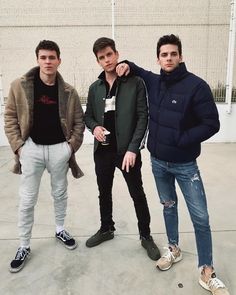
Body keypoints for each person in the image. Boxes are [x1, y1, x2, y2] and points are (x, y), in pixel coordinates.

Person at [116, 34, 229, 295]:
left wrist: (183, 139)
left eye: (173, 54)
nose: (168, 58)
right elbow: (137, 69)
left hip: (185, 165)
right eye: (164, 54)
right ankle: (174, 248)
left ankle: (207, 270)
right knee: (168, 207)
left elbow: (211, 123)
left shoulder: (196, 86)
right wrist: (124, 63)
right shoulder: (154, 82)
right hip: (158, 163)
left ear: (180, 56)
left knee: (201, 217)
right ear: (158, 58)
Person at [4, 40, 85, 273]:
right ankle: (24, 244)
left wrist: (70, 148)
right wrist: (19, 147)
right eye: (43, 57)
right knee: (27, 199)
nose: (47, 62)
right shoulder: (19, 86)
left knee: (60, 193)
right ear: (37, 59)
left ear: (59, 60)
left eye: (52, 57)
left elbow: (78, 122)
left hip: (60, 149)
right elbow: (9, 118)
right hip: (31, 150)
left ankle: (60, 229)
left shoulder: (69, 91)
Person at [84, 37, 160, 261]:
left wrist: (133, 149)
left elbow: (143, 116)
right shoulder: (95, 88)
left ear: (116, 54)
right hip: (103, 151)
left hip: (127, 152)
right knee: (103, 193)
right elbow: (88, 116)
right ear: (98, 61)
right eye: (101, 57)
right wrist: (95, 127)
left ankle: (146, 236)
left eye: (109, 54)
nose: (107, 60)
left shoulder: (135, 82)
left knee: (137, 193)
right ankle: (106, 228)